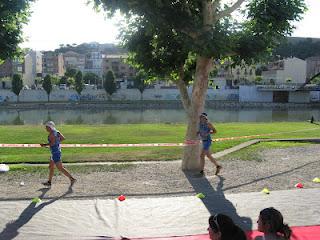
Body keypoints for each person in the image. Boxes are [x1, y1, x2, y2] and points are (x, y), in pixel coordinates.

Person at [41, 121, 76, 186]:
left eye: (46, 127)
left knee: (60, 168)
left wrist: (45, 145)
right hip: (55, 152)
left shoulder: (52, 134)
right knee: (51, 167)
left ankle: (72, 179)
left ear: (50, 127)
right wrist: (57, 142)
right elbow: (63, 138)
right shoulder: (57, 132)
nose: (45, 128)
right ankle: (49, 182)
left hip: (55, 153)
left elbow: (52, 143)